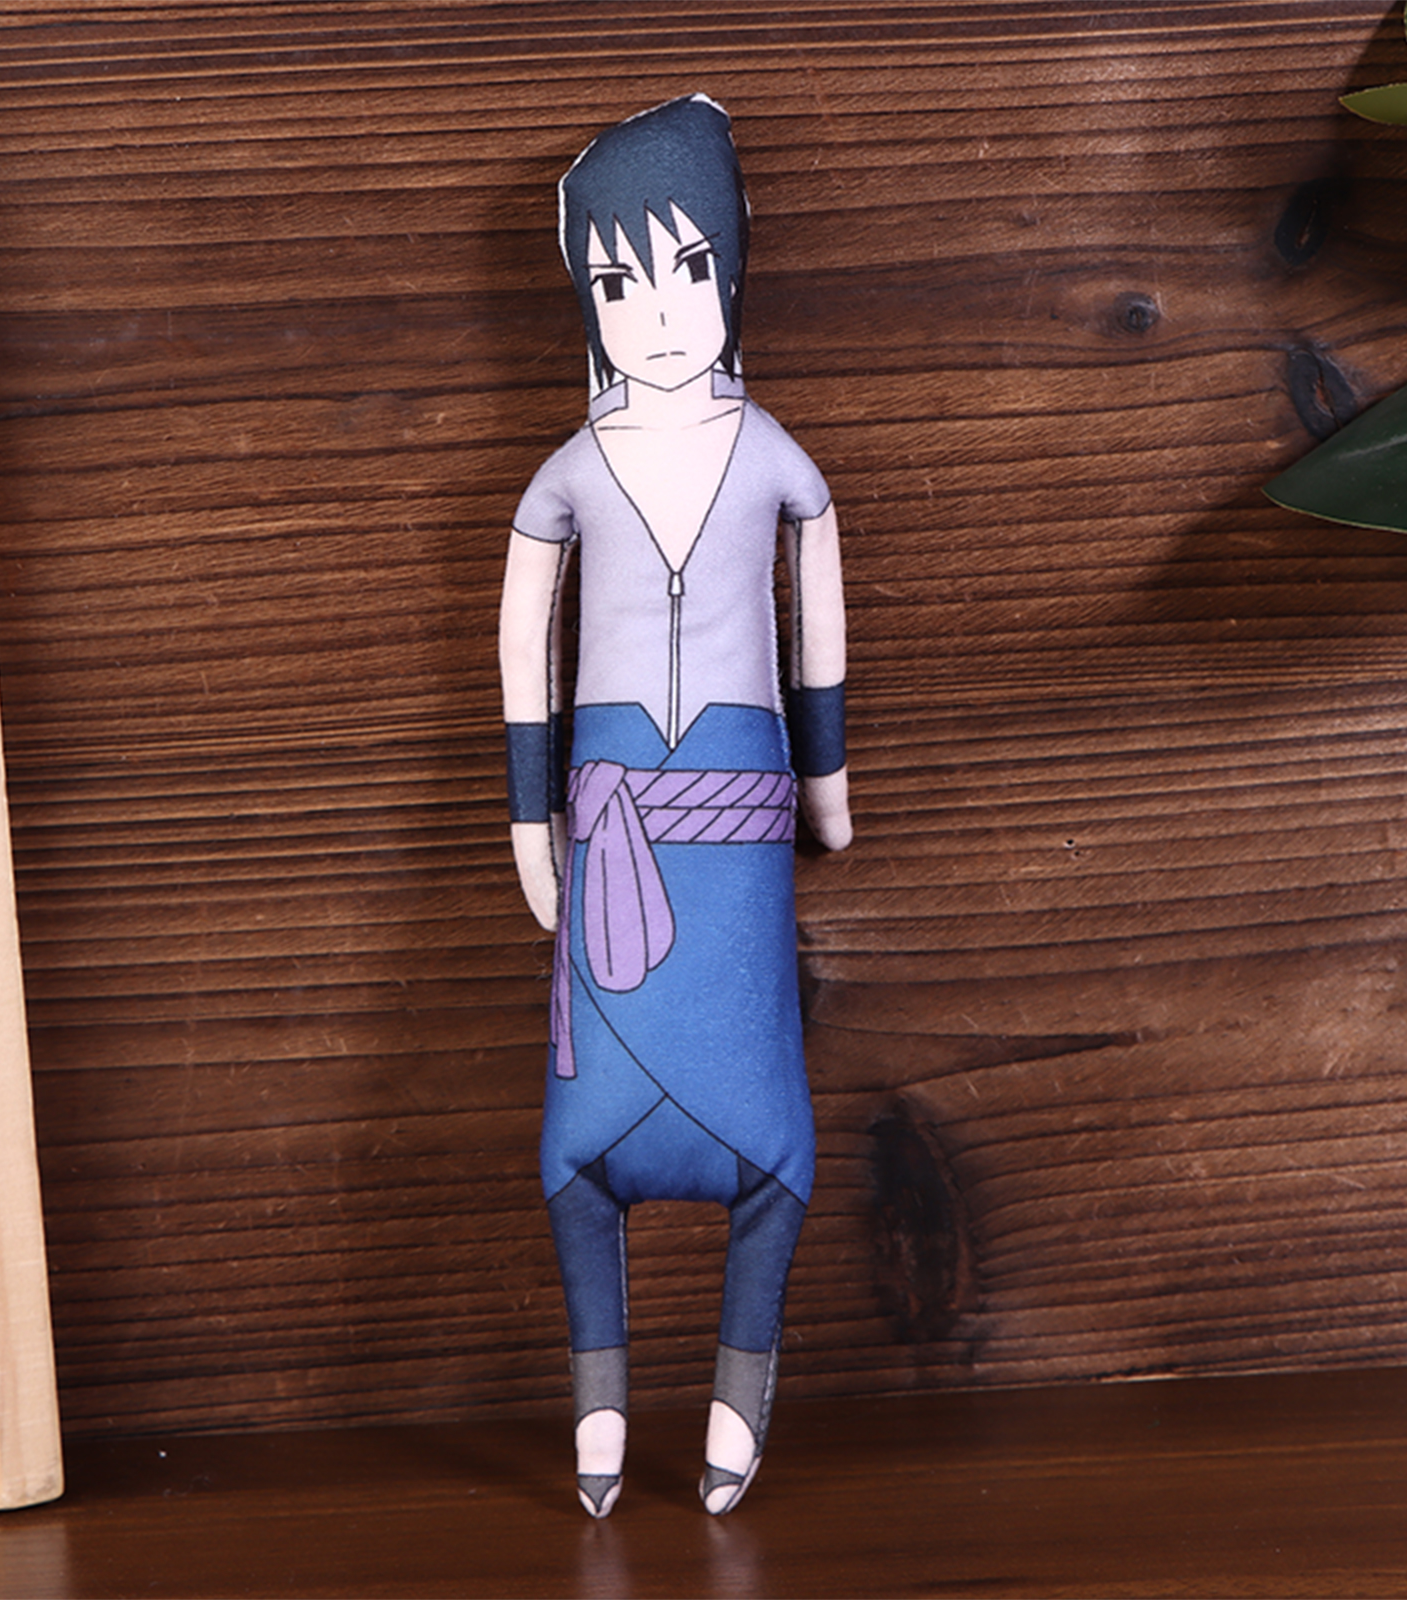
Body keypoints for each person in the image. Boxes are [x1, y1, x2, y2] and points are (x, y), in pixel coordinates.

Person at [498, 93, 851, 1518]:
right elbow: (520, 645)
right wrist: (528, 820)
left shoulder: (777, 459)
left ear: (734, 265)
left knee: (773, 1129)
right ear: (584, 297)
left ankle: (737, 1384)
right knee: (575, 1134)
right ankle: (599, 1397)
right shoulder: (569, 474)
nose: (656, 313)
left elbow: (817, 619)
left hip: (739, 820)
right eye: (619, 281)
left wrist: (827, 776)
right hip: (609, 817)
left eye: (688, 267)